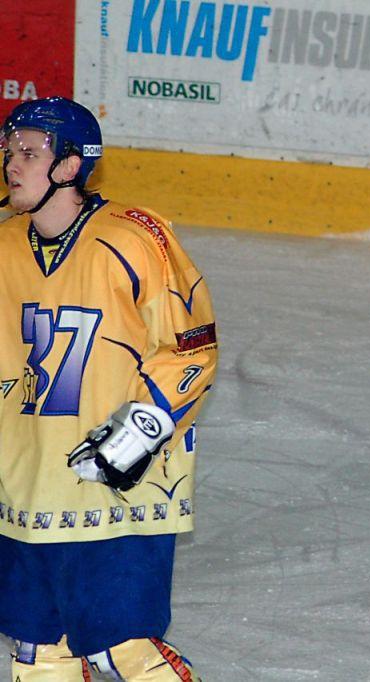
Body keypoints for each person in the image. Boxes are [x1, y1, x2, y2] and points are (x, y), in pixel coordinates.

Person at [0, 96, 217, 680]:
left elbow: (192, 346)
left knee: (121, 649)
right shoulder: (3, 247)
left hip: (118, 488)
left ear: (70, 165)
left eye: (29, 152)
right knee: (39, 653)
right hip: (26, 489)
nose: (12, 164)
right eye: (8, 151)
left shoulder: (134, 237)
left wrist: (141, 430)